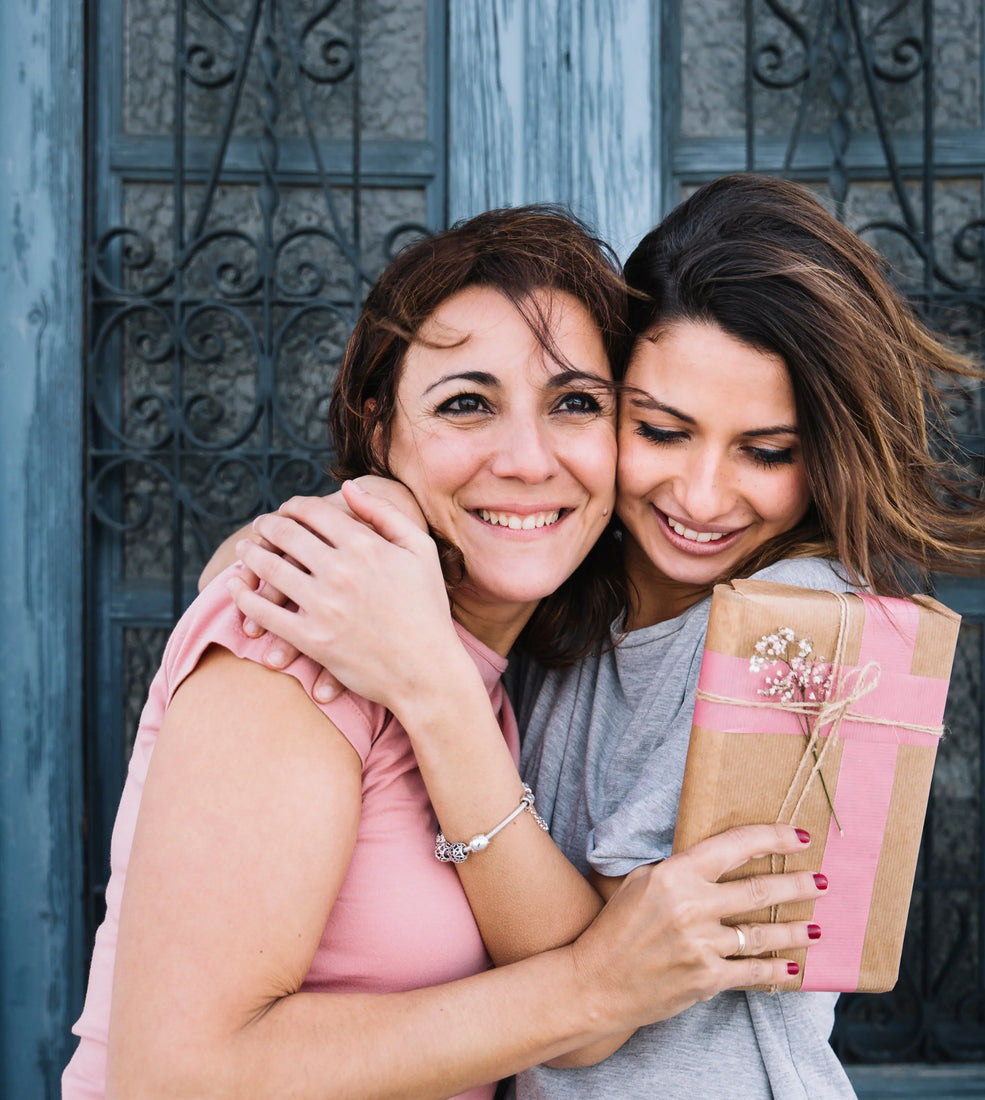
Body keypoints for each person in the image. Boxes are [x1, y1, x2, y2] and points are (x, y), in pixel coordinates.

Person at [218, 175, 985, 1099]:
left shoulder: (817, 631)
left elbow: (596, 984)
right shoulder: (576, 586)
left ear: (827, 452)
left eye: (768, 452)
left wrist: (435, 692)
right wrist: (307, 544)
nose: (702, 498)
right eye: (664, 430)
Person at [62, 205, 828, 1100]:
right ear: (378, 426)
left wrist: (435, 684)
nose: (527, 459)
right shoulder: (293, 647)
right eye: (468, 403)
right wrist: (586, 990)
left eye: (575, 403)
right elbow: (175, 1077)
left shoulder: (536, 658)